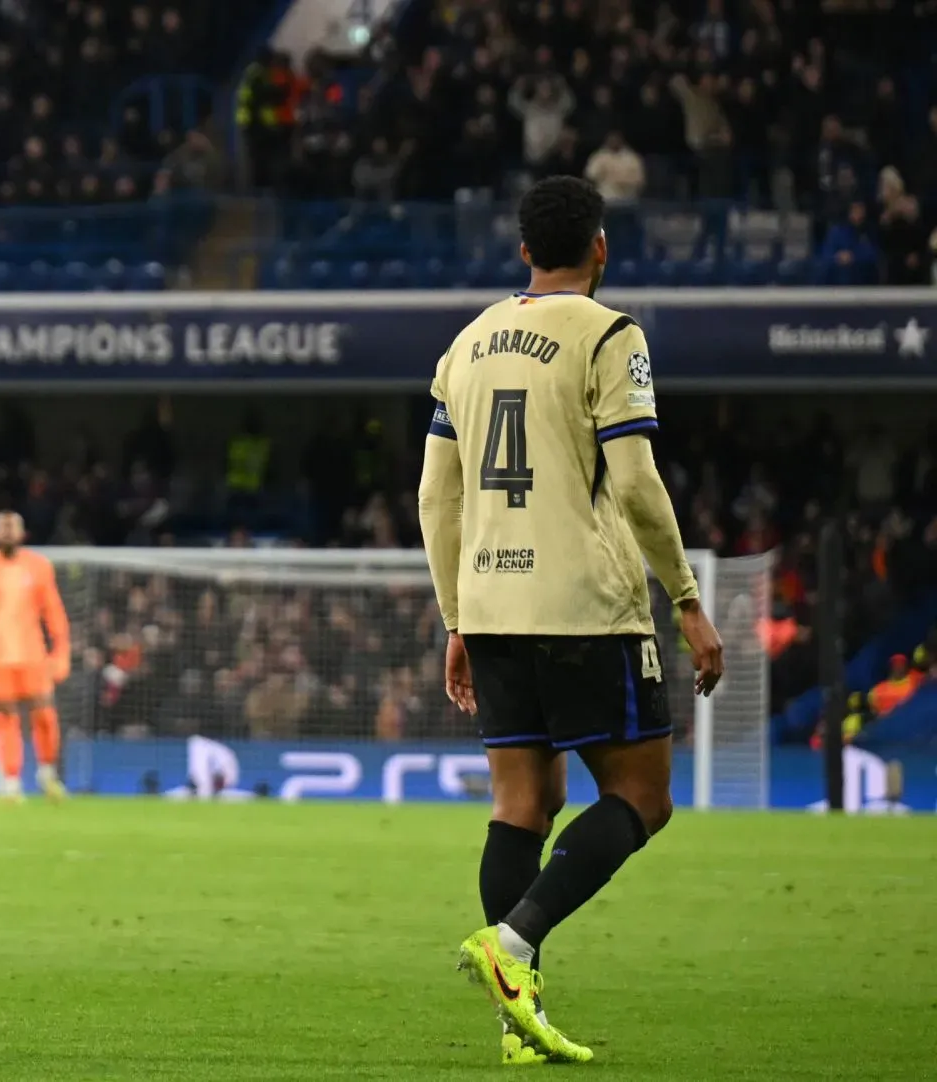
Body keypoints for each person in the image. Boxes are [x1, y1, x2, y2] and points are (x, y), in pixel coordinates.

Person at [415, 176, 724, 1065]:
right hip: (586, 605)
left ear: (521, 253)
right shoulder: (611, 334)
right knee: (643, 797)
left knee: (524, 804)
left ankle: (516, 1025)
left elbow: (436, 497)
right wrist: (687, 600)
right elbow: (633, 482)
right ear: (600, 247)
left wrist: (456, 617)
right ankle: (511, 949)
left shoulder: (465, 344)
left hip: (494, 603)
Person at [0, 512, 71, 802]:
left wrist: (61, 653)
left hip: (33, 655)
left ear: (23, 533)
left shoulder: (39, 567)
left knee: (45, 713)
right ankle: (11, 782)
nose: (7, 532)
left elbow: (54, 613)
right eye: (2, 528)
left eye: (12, 527)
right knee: (6, 717)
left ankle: (47, 773)